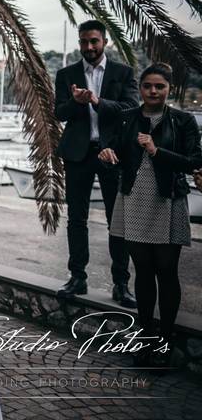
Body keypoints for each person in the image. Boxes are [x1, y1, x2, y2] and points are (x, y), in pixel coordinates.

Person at [98, 63, 199, 367]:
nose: (153, 91)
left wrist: (157, 151)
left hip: (166, 201)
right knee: (142, 271)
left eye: (160, 87)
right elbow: (115, 153)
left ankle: (165, 344)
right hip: (132, 199)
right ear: (140, 88)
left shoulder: (183, 121)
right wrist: (107, 155)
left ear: (169, 89)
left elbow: (194, 160)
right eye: (147, 86)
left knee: (166, 272)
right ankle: (146, 338)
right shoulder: (127, 117)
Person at [54, 20, 139, 305]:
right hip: (77, 154)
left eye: (94, 41)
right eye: (83, 42)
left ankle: (121, 284)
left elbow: (130, 109)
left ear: (104, 42)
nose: (88, 47)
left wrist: (97, 102)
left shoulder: (123, 73)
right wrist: (77, 102)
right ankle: (77, 278)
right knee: (76, 218)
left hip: (112, 154)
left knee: (118, 221)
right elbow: (59, 113)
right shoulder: (67, 74)